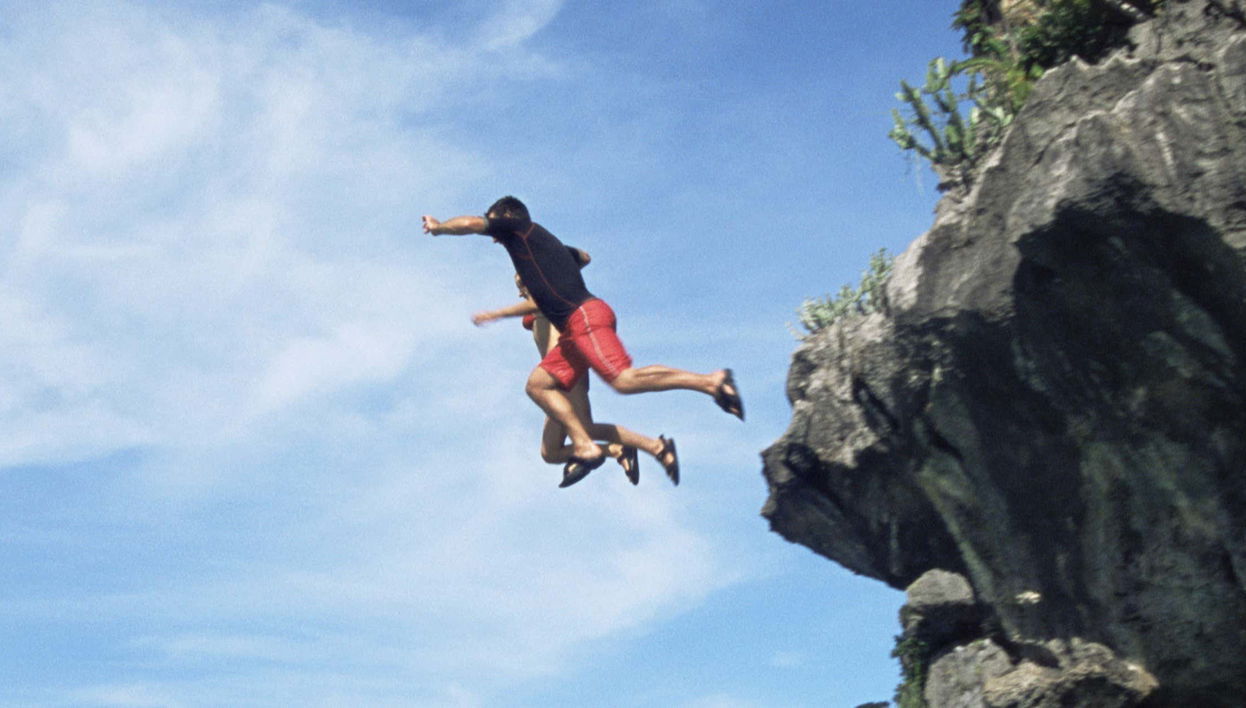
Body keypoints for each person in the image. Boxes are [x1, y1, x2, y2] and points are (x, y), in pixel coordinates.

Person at [423, 195, 743, 487]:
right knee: (537, 385)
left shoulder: (517, 226)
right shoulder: (536, 243)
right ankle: (588, 447)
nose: (492, 236)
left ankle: (710, 382)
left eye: (493, 222)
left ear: (506, 215)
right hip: (574, 333)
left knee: (623, 380)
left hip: (584, 316)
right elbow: (584, 256)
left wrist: (439, 229)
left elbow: (468, 224)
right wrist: (557, 259)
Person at [473, 260, 678, 487]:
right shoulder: (536, 311)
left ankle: (654, 446)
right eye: (518, 285)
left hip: (567, 373)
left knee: (586, 428)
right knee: (550, 452)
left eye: (523, 282)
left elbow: (576, 263)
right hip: (552, 378)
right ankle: (619, 449)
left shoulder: (552, 298)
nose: (520, 289)